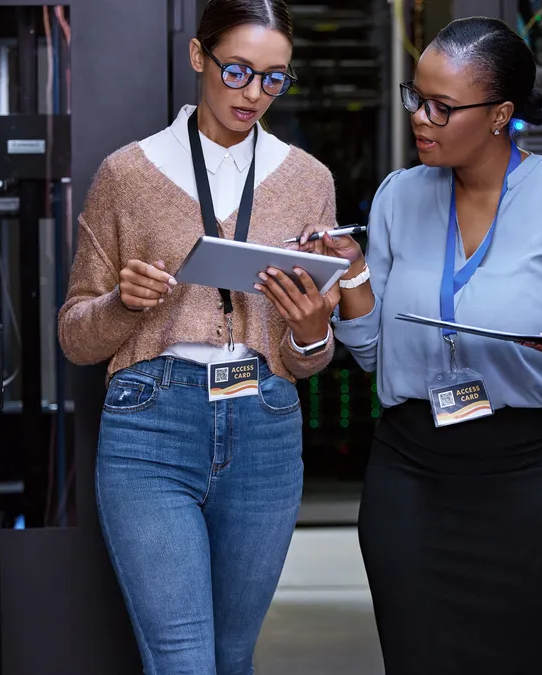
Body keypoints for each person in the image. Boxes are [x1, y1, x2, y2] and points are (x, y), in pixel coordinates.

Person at [297, 16, 542, 675]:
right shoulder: (400, 198)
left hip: (535, 477)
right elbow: (373, 350)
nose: (420, 120)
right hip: (412, 471)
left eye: (442, 107)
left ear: (500, 115)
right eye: (415, 98)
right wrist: (351, 275)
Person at [57, 1, 339, 672]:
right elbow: (74, 336)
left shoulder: (308, 180)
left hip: (266, 425)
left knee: (232, 655)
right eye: (237, 71)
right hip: (151, 425)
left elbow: (309, 361)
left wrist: (309, 330)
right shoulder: (127, 174)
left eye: (274, 79)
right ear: (196, 56)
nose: (253, 94)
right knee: (184, 659)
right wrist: (126, 304)